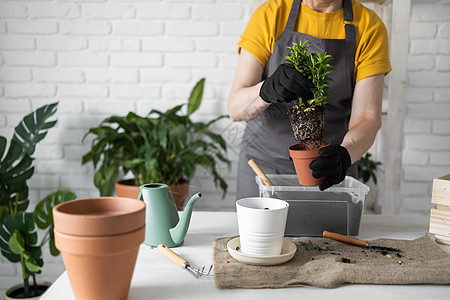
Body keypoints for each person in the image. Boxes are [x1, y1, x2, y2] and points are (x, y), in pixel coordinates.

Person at [227, 0, 391, 199]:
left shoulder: (368, 25)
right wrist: (266, 90)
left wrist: (345, 155)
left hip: (328, 171)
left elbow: (367, 117)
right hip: (265, 168)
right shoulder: (271, 14)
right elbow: (235, 109)